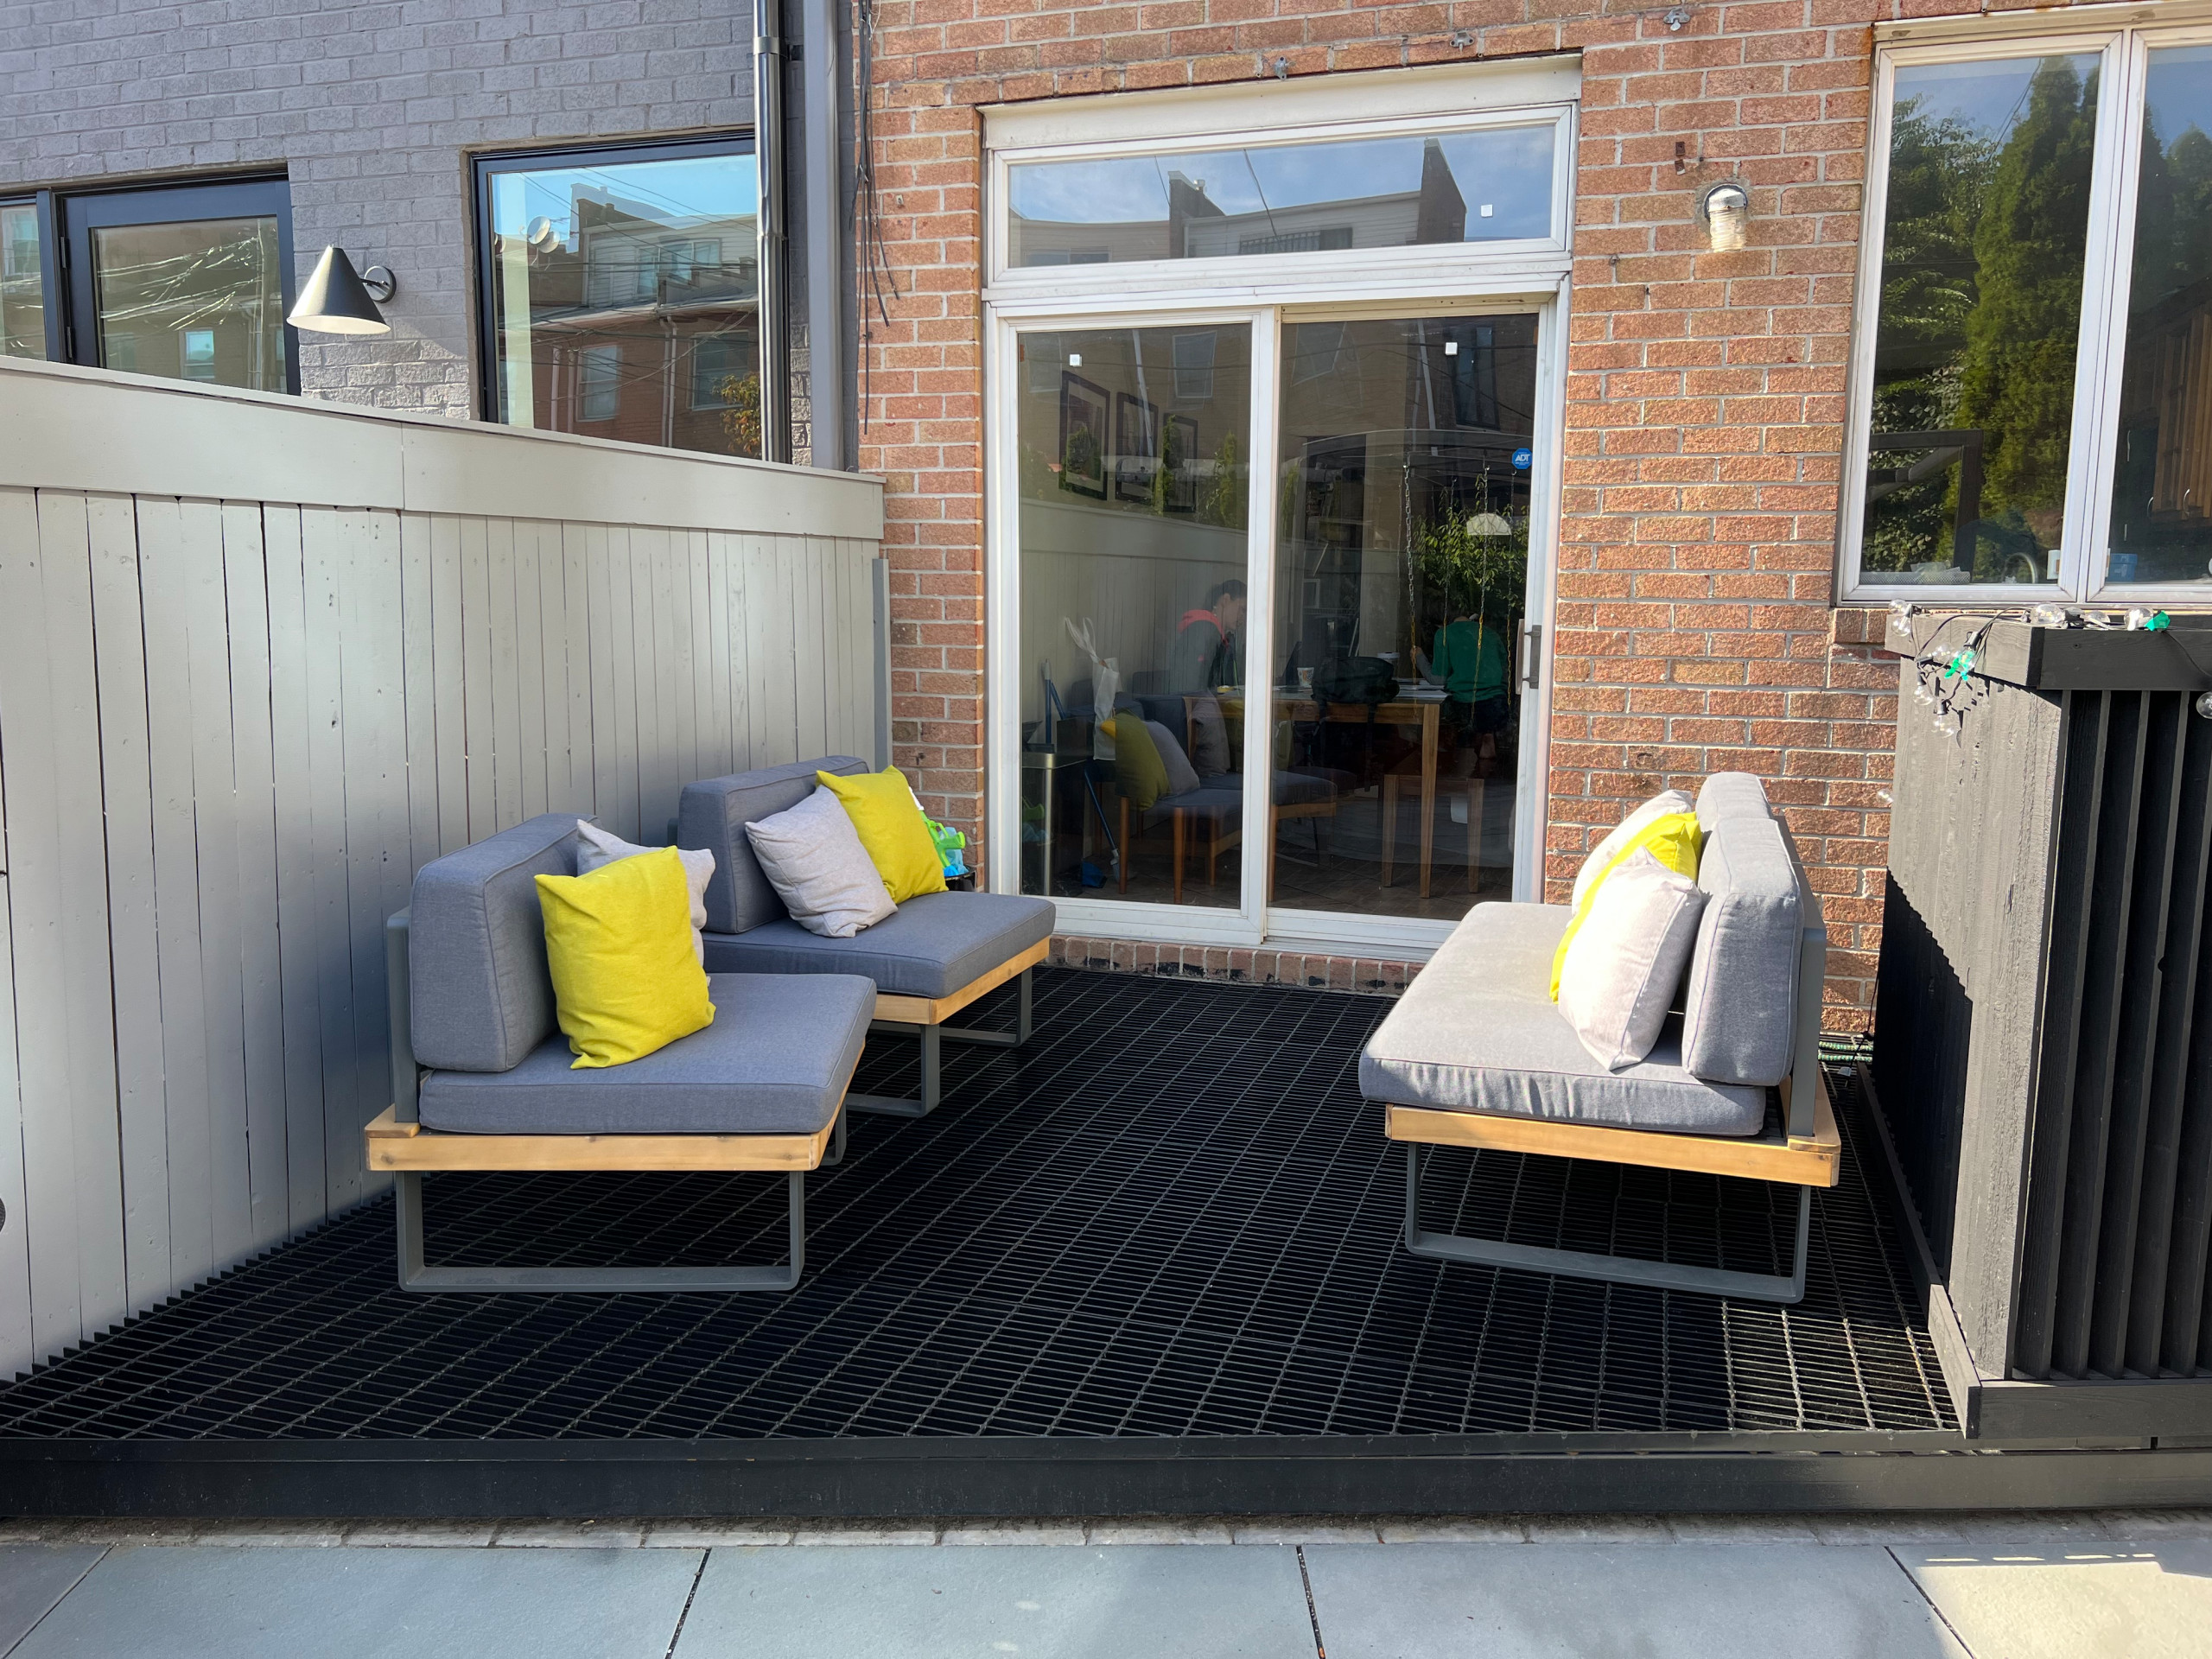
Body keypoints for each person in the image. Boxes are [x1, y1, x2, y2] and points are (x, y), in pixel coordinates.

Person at [1168, 578, 1246, 694]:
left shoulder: (1213, 633)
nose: (1243, 616)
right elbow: (1194, 682)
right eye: (1243, 609)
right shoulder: (1204, 630)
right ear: (1225, 600)